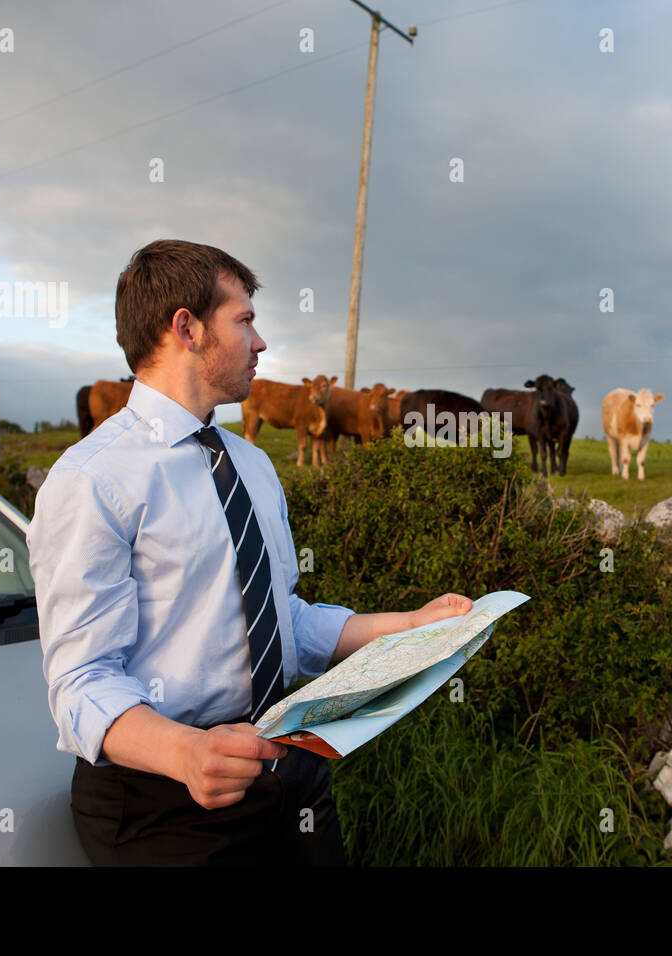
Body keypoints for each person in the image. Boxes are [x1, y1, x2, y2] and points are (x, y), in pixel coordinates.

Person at [27, 238, 471, 866]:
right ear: (187, 328)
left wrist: (408, 626)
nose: (260, 343)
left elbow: (282, 620)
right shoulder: (91, 479)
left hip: (289, 770)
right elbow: (79, 682)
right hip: (167, 801)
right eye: (244, 320)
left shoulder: (253, 465)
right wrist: (185, 753)